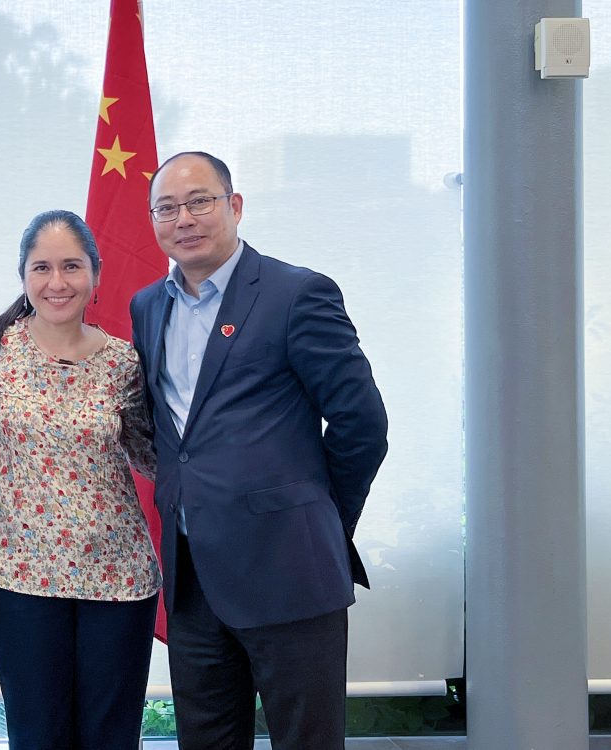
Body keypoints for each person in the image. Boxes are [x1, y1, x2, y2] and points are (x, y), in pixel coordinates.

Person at [129, 152, 388, 750]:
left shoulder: (297, 293)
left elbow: (362, 425)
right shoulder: (148, 306)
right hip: (192, 576)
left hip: (288, 568)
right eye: (166, 208)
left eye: (200, 202)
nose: (184, 219)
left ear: (234, 206)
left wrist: (319, 516)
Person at [0, 209, 161, 750]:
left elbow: (155, 458)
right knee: (37, 734)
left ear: (94, 273)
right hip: (21, 578)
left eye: (71, 266)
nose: (57, 282)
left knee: (110, 737)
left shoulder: (124, 362)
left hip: (118, 579)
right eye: (41, 267)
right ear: (23, 276)